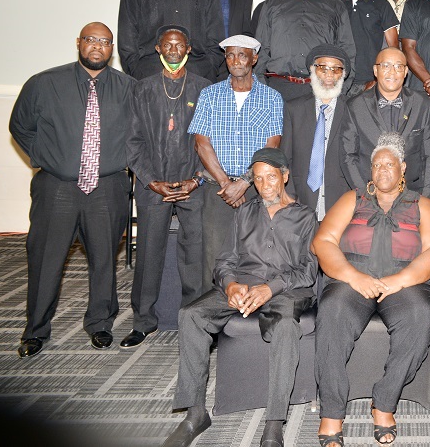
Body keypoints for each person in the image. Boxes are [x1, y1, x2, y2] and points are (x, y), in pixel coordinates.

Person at [161, 148, 317, 447]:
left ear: (284, 176)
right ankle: (195, 413)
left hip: (285, 290)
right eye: (258, 179)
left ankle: (274, 423)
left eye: (271, 177)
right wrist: (231, 285)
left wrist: (270, 288)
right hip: (243, 285)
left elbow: (308, 271)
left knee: (286, 327)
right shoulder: (244, 212)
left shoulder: (305, 216)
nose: (265, 184)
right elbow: (225, 261)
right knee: (190, 314)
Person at [312, 132, 430, 446]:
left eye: (389, 164)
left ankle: (384, 403)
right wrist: (352, 276)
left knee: (421, 315)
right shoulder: (353, 198)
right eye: (377, 165)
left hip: (404, 281)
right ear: (370, 170)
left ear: (402, 167)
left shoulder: (422, 204)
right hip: (352, 279)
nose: (382, 170)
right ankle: (332, 411)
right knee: (332, 311)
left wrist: (400, 280)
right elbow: (323, 241)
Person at [10, 23, 134, 358]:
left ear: (112, 49)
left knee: (104, 260)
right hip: (57, 187)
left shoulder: (128, 87)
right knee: (45, 260)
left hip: (107, 187)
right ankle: (36, 330)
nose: (97, 47)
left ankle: (100, 324)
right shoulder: (44, 83)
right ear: (79, 43)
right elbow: (20, 126)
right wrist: (47, 157)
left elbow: (139, 134)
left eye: (105, 42)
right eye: (91, 40)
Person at [121, 26, 211, 348]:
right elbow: (132, 142)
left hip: (193, 186)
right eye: (168, 45)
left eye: (179, 44)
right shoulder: (141, 89)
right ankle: (143, 321)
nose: (174, 50)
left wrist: (197, 178)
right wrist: (151, 181)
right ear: (158, 49)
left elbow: (212, 141)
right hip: (153, 186)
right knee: (148, 254)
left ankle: (195, 323)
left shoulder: (205, 89)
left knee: (196, 258)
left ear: (189, 48)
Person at [188, 35, 283, 287]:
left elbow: (272, 145)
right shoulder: (209, 95)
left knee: (256, 257)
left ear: (254, 58)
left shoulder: (272, 98)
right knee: (214, 257)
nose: (236, 60)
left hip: (257, 190)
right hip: (217, 191)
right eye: (230, 55)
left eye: (242, 55)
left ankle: (251, 309)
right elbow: (201, 143)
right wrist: (226, 184)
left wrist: (243, 182)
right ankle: (212, 310)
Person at [255, 0, 355, 101]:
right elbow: (261, 48)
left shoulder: (336, 7)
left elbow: (347, 51)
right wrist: (261, 87)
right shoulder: (274, 2)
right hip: (277, 88)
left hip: (320, 90)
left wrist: (340, 92)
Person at [341, 47, 430, 198]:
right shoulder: (355, 106)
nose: (392, 72)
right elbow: (348, 156)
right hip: (369, 192)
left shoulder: (421, 103)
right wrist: (365, 197)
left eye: (398, 66)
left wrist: (425, 198)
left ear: (406, 72)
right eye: (386, 65)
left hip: (412, 193)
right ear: (375, 70)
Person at [280, 44, 351, 220]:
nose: (329, 75)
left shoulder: (353, 110)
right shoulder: (294, 109)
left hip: (342, 204)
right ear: (312, 70)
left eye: (336, 69)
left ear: (343, 75)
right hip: (300, 202)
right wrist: (289, 196)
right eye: (322, 68)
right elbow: (285, 157)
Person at [339, 0, 399, 91]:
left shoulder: (381, 5)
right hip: (340, 79)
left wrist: (379, 79)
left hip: (370, 81)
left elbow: (394, 47)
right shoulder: (337, 5)